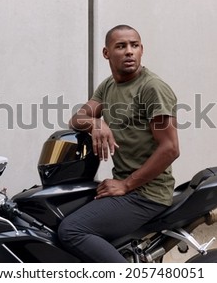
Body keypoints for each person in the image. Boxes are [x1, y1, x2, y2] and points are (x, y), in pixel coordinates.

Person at [58, 24, 180, 262]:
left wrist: (126, 185)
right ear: (106, 53)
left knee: (72, 230)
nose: (129, 52)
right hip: (127, 189)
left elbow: (171, 148)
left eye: (134, 46)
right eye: (121, 46)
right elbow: (77, 119)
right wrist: (96, 124)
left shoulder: (152, 88)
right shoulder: (109, 86)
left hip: (147, 193)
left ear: (142, 50)